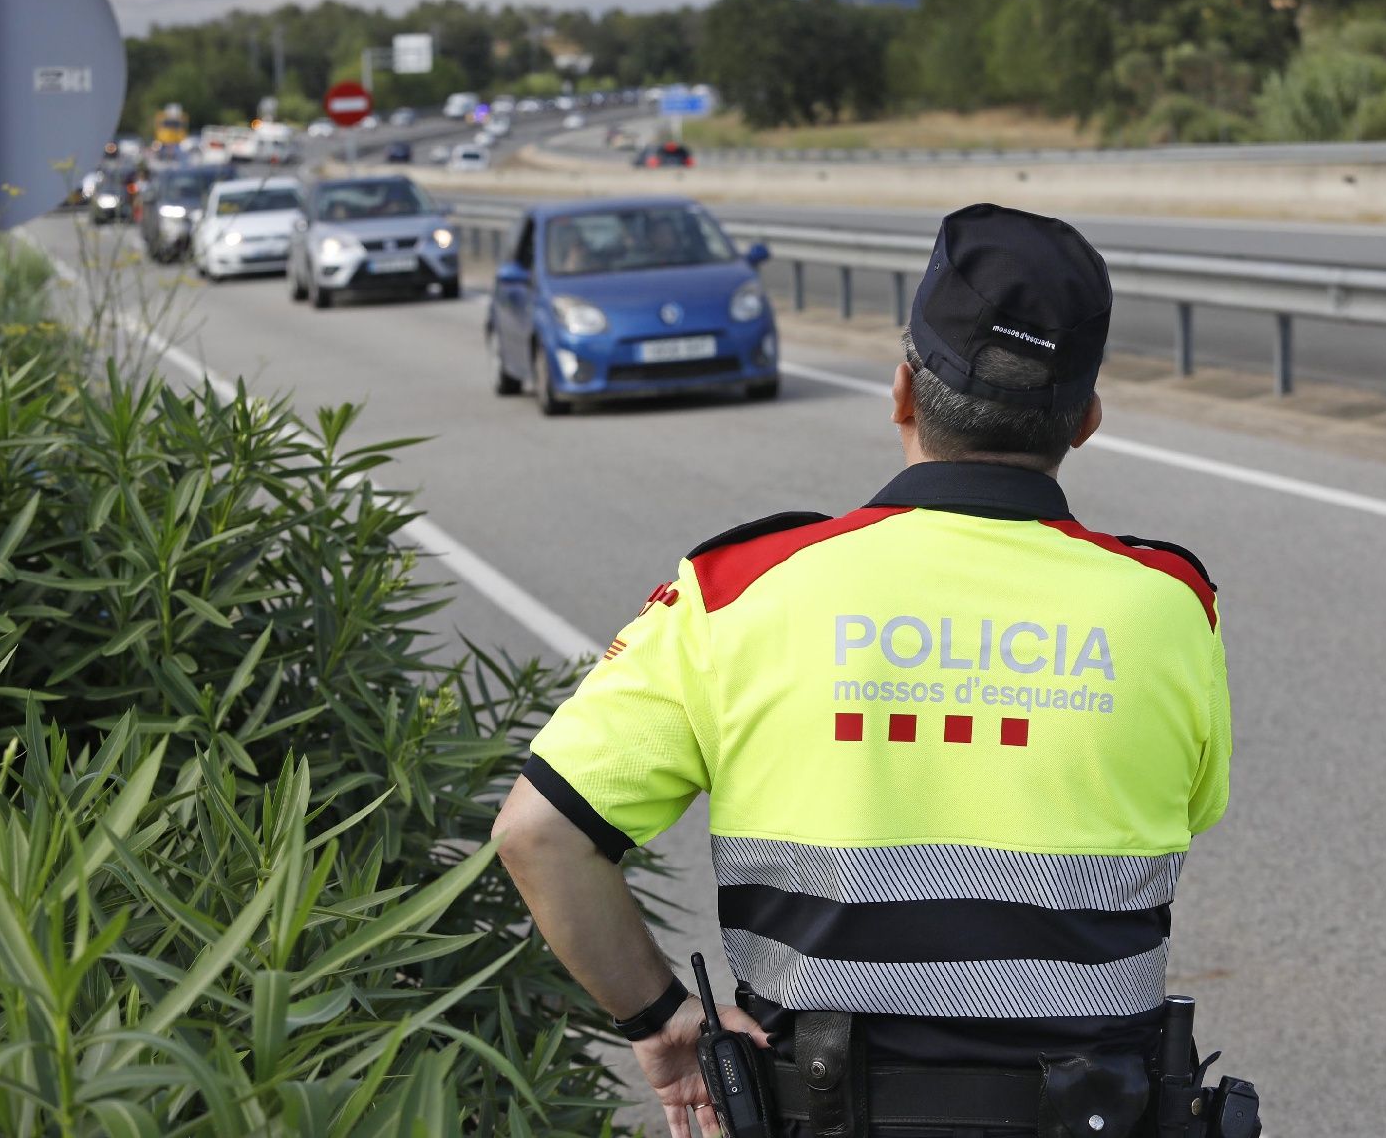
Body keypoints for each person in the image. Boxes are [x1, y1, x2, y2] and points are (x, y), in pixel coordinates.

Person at [492, 203, 1235, 1138]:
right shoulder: (1170, 605)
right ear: (1084, 420)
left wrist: (662, 1019)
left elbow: (539, 834)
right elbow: (1195, 809)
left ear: (902, 392)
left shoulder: (740, 590)